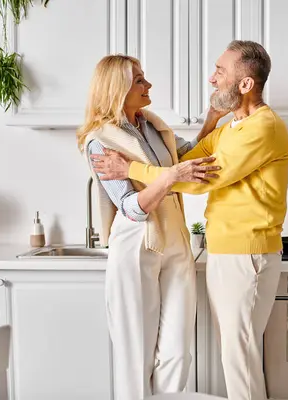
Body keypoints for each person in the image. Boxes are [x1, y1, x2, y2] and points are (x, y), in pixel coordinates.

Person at [91, 40, 288, 400]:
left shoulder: (261, 127)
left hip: (246, 252)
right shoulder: (232, 128)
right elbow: (182, 165)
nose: (212, 79)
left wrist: (130, 168)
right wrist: (211, 123)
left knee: (238, 356)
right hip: (225, 251)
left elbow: (196, 180)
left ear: (245, 85)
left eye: (221, 71)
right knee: (234, 353)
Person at [76, 54, 221, 400]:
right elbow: (129, 207)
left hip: (174, 239)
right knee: (135, 354)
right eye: (139, 79)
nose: (148, 84)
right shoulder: (101, 142)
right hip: (135, 243)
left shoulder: (153, 126)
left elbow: (186, 157)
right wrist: (171, 177)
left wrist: (213, 117)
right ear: (117, 88)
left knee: (177, 351)